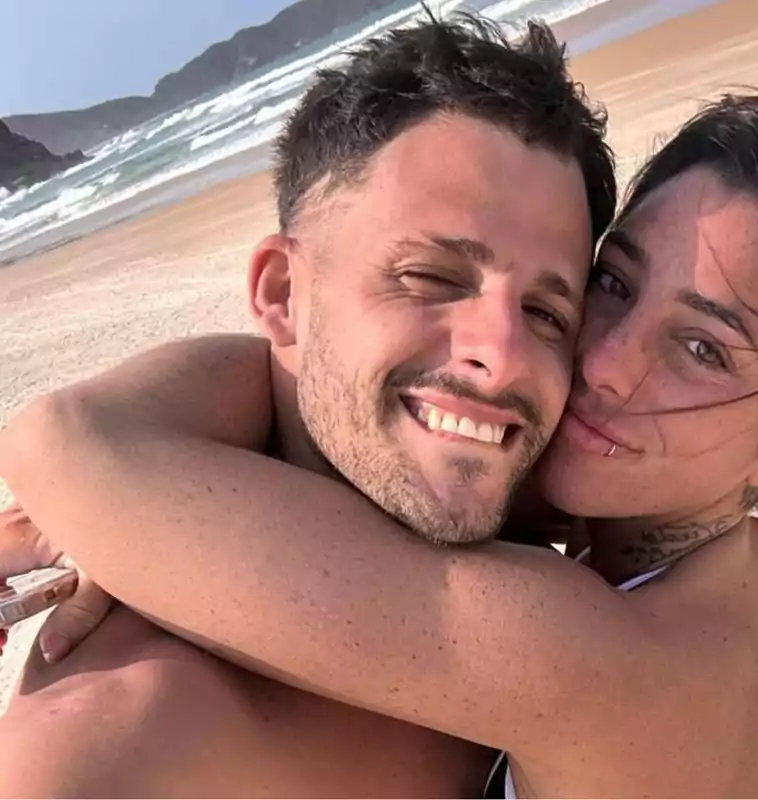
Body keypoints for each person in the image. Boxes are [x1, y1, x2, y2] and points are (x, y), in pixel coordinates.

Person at [1, 91, 758, 796]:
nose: (603, 362)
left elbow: (65, 437)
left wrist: (129, 520)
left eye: (700, 349)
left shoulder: (606, 657)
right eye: (612, 286)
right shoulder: (755, 563)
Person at [0, 11, 616, 797]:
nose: (501, 359)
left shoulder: (554, 535)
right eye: (431, 278)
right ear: (283, 294)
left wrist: (94, 496)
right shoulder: (126, 743)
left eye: (547, 315)